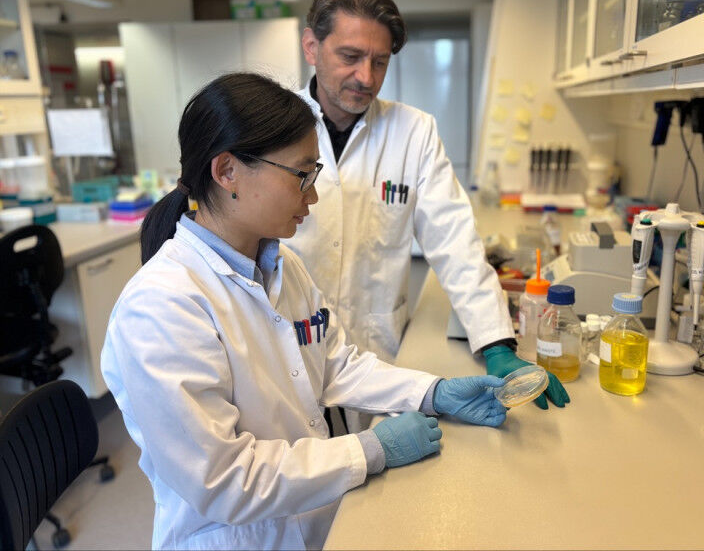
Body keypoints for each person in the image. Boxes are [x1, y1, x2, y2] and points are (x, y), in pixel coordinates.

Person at [100, 73, 508, 551]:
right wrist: (369, 449)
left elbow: (334, 364)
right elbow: (225, 481)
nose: (313, 195)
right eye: (302, 175)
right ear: (227, 171)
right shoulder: (161, 306)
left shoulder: (281, 266)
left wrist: (432, 391)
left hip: (318, 517)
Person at [285, 0, 569, 425]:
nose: (366, 77)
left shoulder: (413, 132)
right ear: (311, 46)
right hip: (287, 351)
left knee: (375, 461)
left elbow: (454, 240)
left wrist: (496, 344)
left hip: (375, 352)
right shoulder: (271, 129)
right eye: (350, 57)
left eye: (380, 62)